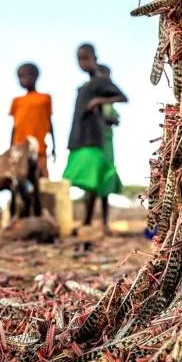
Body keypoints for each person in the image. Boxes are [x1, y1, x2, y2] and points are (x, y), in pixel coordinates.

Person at [63, 44, 127, 232]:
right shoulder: (84, 86)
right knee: (84, 180)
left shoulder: (100, 81)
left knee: (95, 181)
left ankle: (89, 223)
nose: (82, 62)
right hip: (80, 137)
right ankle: (87, 222)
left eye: (85, 58)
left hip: (96, 138)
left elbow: (122, 98)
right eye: (79, 58)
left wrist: (98, 101)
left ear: (94, 58)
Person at [9, 63, 55, 178]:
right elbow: (15, 126)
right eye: (20, 77)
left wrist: (54, 146)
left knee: (42, 177)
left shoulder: (45, 98)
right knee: (19, 178)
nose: (22, 80)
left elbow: (49, 122)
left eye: (25, 76)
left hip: (39, 147)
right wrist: (10, 148)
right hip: (19, 148)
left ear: (35, 76)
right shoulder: (17, 101)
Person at [95, 64, 123, 232]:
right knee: (92, 182)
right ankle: (89, 222)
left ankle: (103, 223)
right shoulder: (90, 97)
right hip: (95, 143)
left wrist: (108, 119)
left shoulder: (109, 103)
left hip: (107, 142)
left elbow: (116, 120)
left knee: (106, 180)